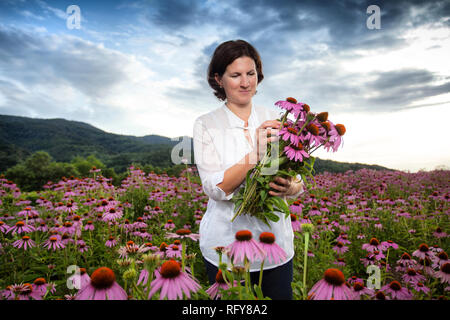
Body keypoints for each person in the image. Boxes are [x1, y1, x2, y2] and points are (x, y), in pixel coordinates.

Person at [192, 39, 305, 300]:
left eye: (250, 74)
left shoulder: (276, 118)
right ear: (218, 79)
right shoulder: (206, 124)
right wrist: (255, 154)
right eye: (235, 75)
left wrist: (290, 187)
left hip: (274, 244)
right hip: (226, 245)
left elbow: (297, 179)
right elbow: (215, 188)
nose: (245, 83)